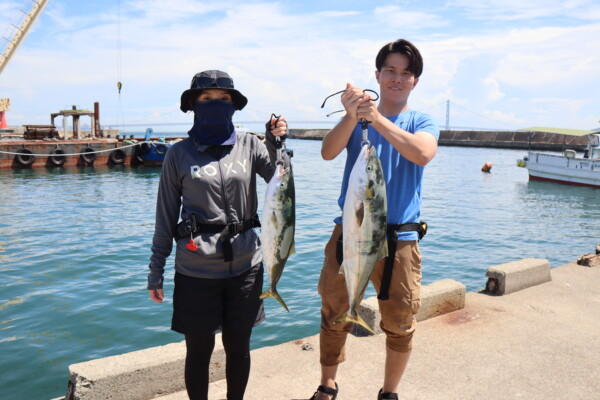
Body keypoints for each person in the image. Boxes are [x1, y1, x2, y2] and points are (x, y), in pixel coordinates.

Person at [147, 70, 289, 400]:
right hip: (195, 271)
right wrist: (156, 271)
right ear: (193, 105)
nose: (216, 105)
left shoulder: (250, 144)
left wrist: (277, 142)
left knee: (238, 348)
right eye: (207, 99)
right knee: (198, 352)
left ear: (234, 106)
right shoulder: (178, 154)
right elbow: (165, 217)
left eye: (224, 99)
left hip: (246, 267)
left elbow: (280, 180)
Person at [310, 39, 439, 400]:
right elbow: (327, 152)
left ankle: (389, 392)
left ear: (415, 80)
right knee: (334, 310)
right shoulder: (355, 120)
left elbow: (422, 152)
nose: (397, 79)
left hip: (401, 239)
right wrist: (352, 116)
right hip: (349, 231)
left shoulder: (421, 120)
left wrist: (377, 119)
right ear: (378, 75)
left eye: (406, 73)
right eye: (390, 71)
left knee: (400, 322)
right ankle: (327, 384)